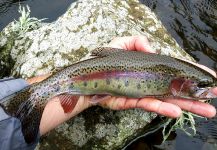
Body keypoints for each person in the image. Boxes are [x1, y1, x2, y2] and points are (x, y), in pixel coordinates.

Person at [0, 36, 216, 149]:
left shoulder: (171, 75)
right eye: (200, 84)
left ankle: (18, 106)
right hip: (72, 78)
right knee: (26, 104)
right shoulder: (168, 83)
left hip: (76, 78)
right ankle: (23, 103)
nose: (203, 89)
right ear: (181, 81)